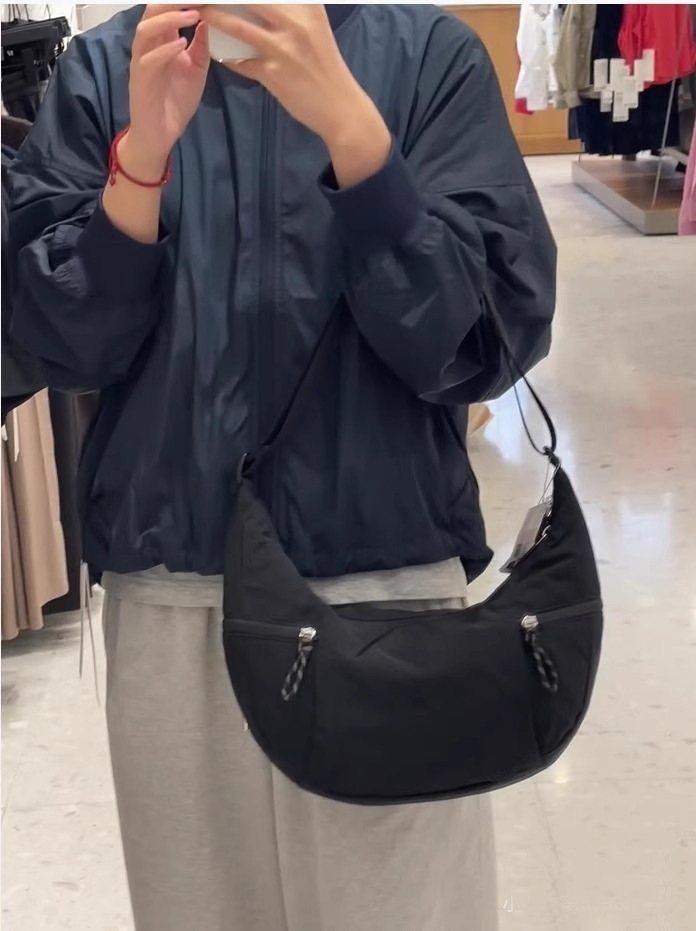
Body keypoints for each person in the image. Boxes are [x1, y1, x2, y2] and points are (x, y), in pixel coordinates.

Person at [9, 5, 556, 930]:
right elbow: (56, 343)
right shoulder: (106, 72)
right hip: (174, 603)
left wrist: (351, 127)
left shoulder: (427, 58)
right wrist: (142, 160)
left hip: (385, 599)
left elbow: (482, 338)